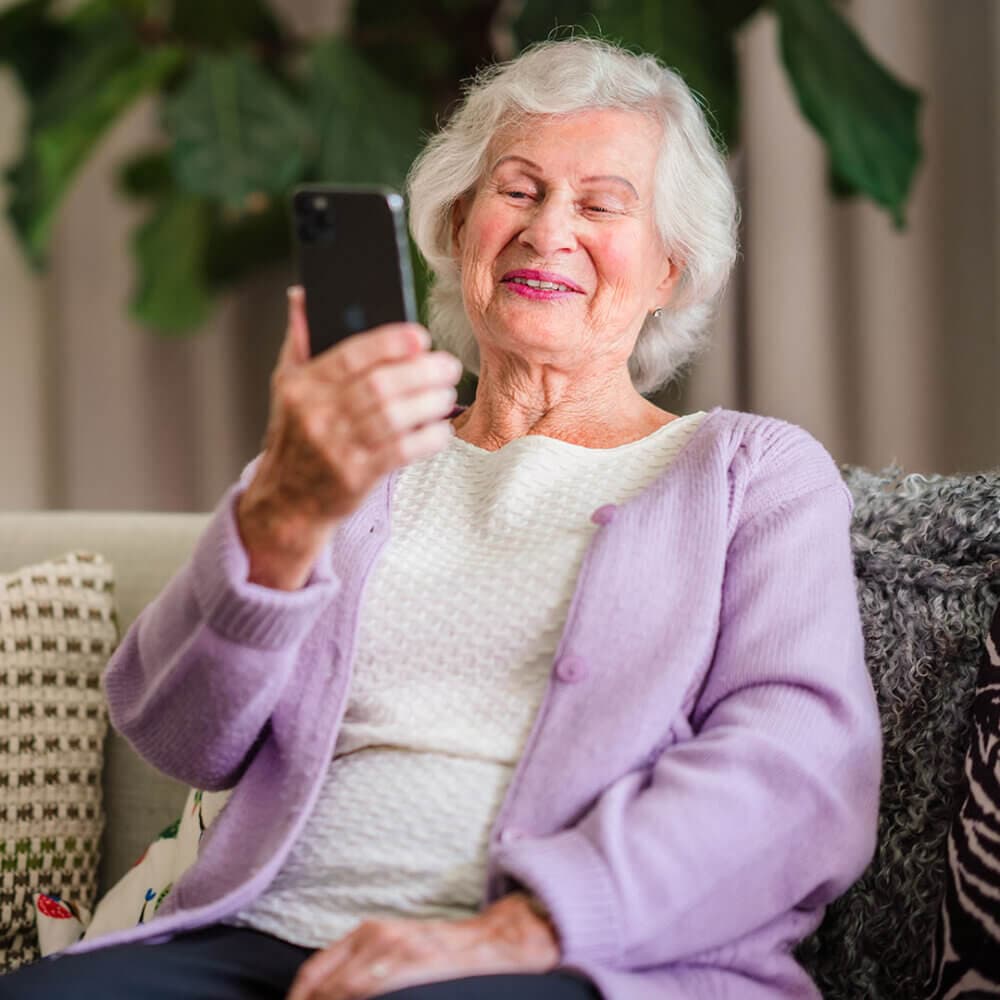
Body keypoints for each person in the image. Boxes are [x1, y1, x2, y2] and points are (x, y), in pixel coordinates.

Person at [1, 36, 881, 1000]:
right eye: (517, 189)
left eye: (600, 204)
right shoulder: (345, 458)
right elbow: (178, 735)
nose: (549, 232)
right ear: (458, 224)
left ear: (670, 268)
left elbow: (798, 773)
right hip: (259, 937)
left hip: (569, 957)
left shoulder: (749, 473)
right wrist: (284, 514)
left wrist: (525, 928)